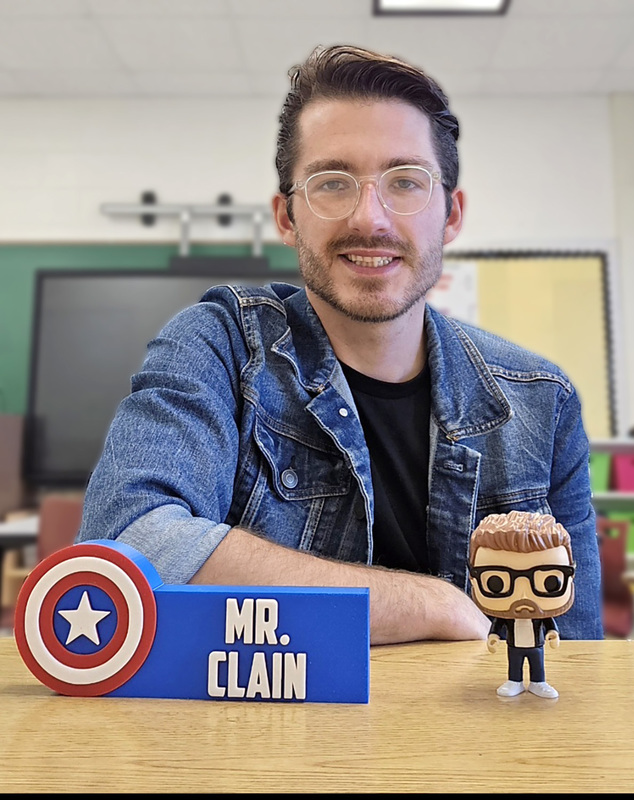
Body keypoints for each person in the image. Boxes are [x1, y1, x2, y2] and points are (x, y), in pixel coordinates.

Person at [76, 44, 603, 645]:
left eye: (406, 181)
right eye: (332, 183)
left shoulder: (542, 402)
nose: (370, 218)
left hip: (480, 739)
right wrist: (427, 604)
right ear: (287, 217)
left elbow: (577, 662)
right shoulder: (217, 346)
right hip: (268, 736)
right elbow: (127, 547)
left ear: (451, 215)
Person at [469, 510, 576, 699]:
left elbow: (549, 623)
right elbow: (498, 623)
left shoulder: (541, 615)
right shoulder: (506, 616)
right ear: (473, 578)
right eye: (497, 583)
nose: (523, 596)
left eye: (550, 582)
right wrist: (493, 635)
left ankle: (538, 682)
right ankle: (514, 681)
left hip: (537, 645)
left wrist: (553, 633)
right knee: (515, 664)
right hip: (514, 646)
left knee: (538, 664)